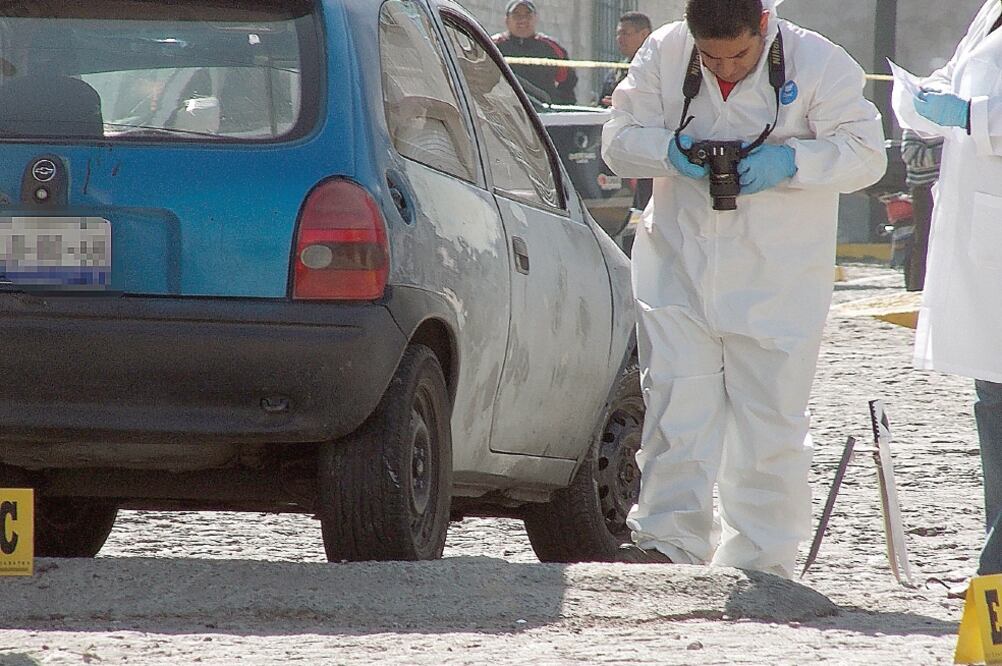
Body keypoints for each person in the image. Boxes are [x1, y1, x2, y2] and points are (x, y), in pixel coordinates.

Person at [601, 0, 886, 578]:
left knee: (770, 422)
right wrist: (669, 154)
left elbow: (867, 156)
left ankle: (762, 559)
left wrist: (792, 161)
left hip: (777, 279)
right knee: (674, 409)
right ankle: (669, 542)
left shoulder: (819, 62)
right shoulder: (664, 51)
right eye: (710, 58)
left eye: (738, 56)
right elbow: (617, 139)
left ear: (764, 26)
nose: (724, 70)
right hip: (678, 265)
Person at [891, 0, 1002, 584]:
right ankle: (997, 575)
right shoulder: (991, 12)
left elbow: (978, 106)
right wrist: (924, 96)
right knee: (993, 403)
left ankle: (997, 570)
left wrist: (974, 114)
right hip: (985, 247)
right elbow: (958, 73)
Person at [492, 0, 578, 104]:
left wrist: (557, 105)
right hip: (505, 113)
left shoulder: (551, 48)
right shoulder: (492, 47)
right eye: (516, 15)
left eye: (528, 16)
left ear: (536, 19)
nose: (522, 20)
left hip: (544, 116)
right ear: (506, 20)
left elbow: (568, 82)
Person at [899, 129, 943, 291]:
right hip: (924, 189)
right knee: (924, 239)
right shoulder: (915, 125)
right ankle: (917, 288)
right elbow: (910, 155)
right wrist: (947, 154)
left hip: (950, 188)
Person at [599, 12, 653, 108]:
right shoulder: (616, 73)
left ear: (644, 34)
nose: (619, 39)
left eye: (625, 33)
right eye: (618, 34)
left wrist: (626, 105)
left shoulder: (656, 69)